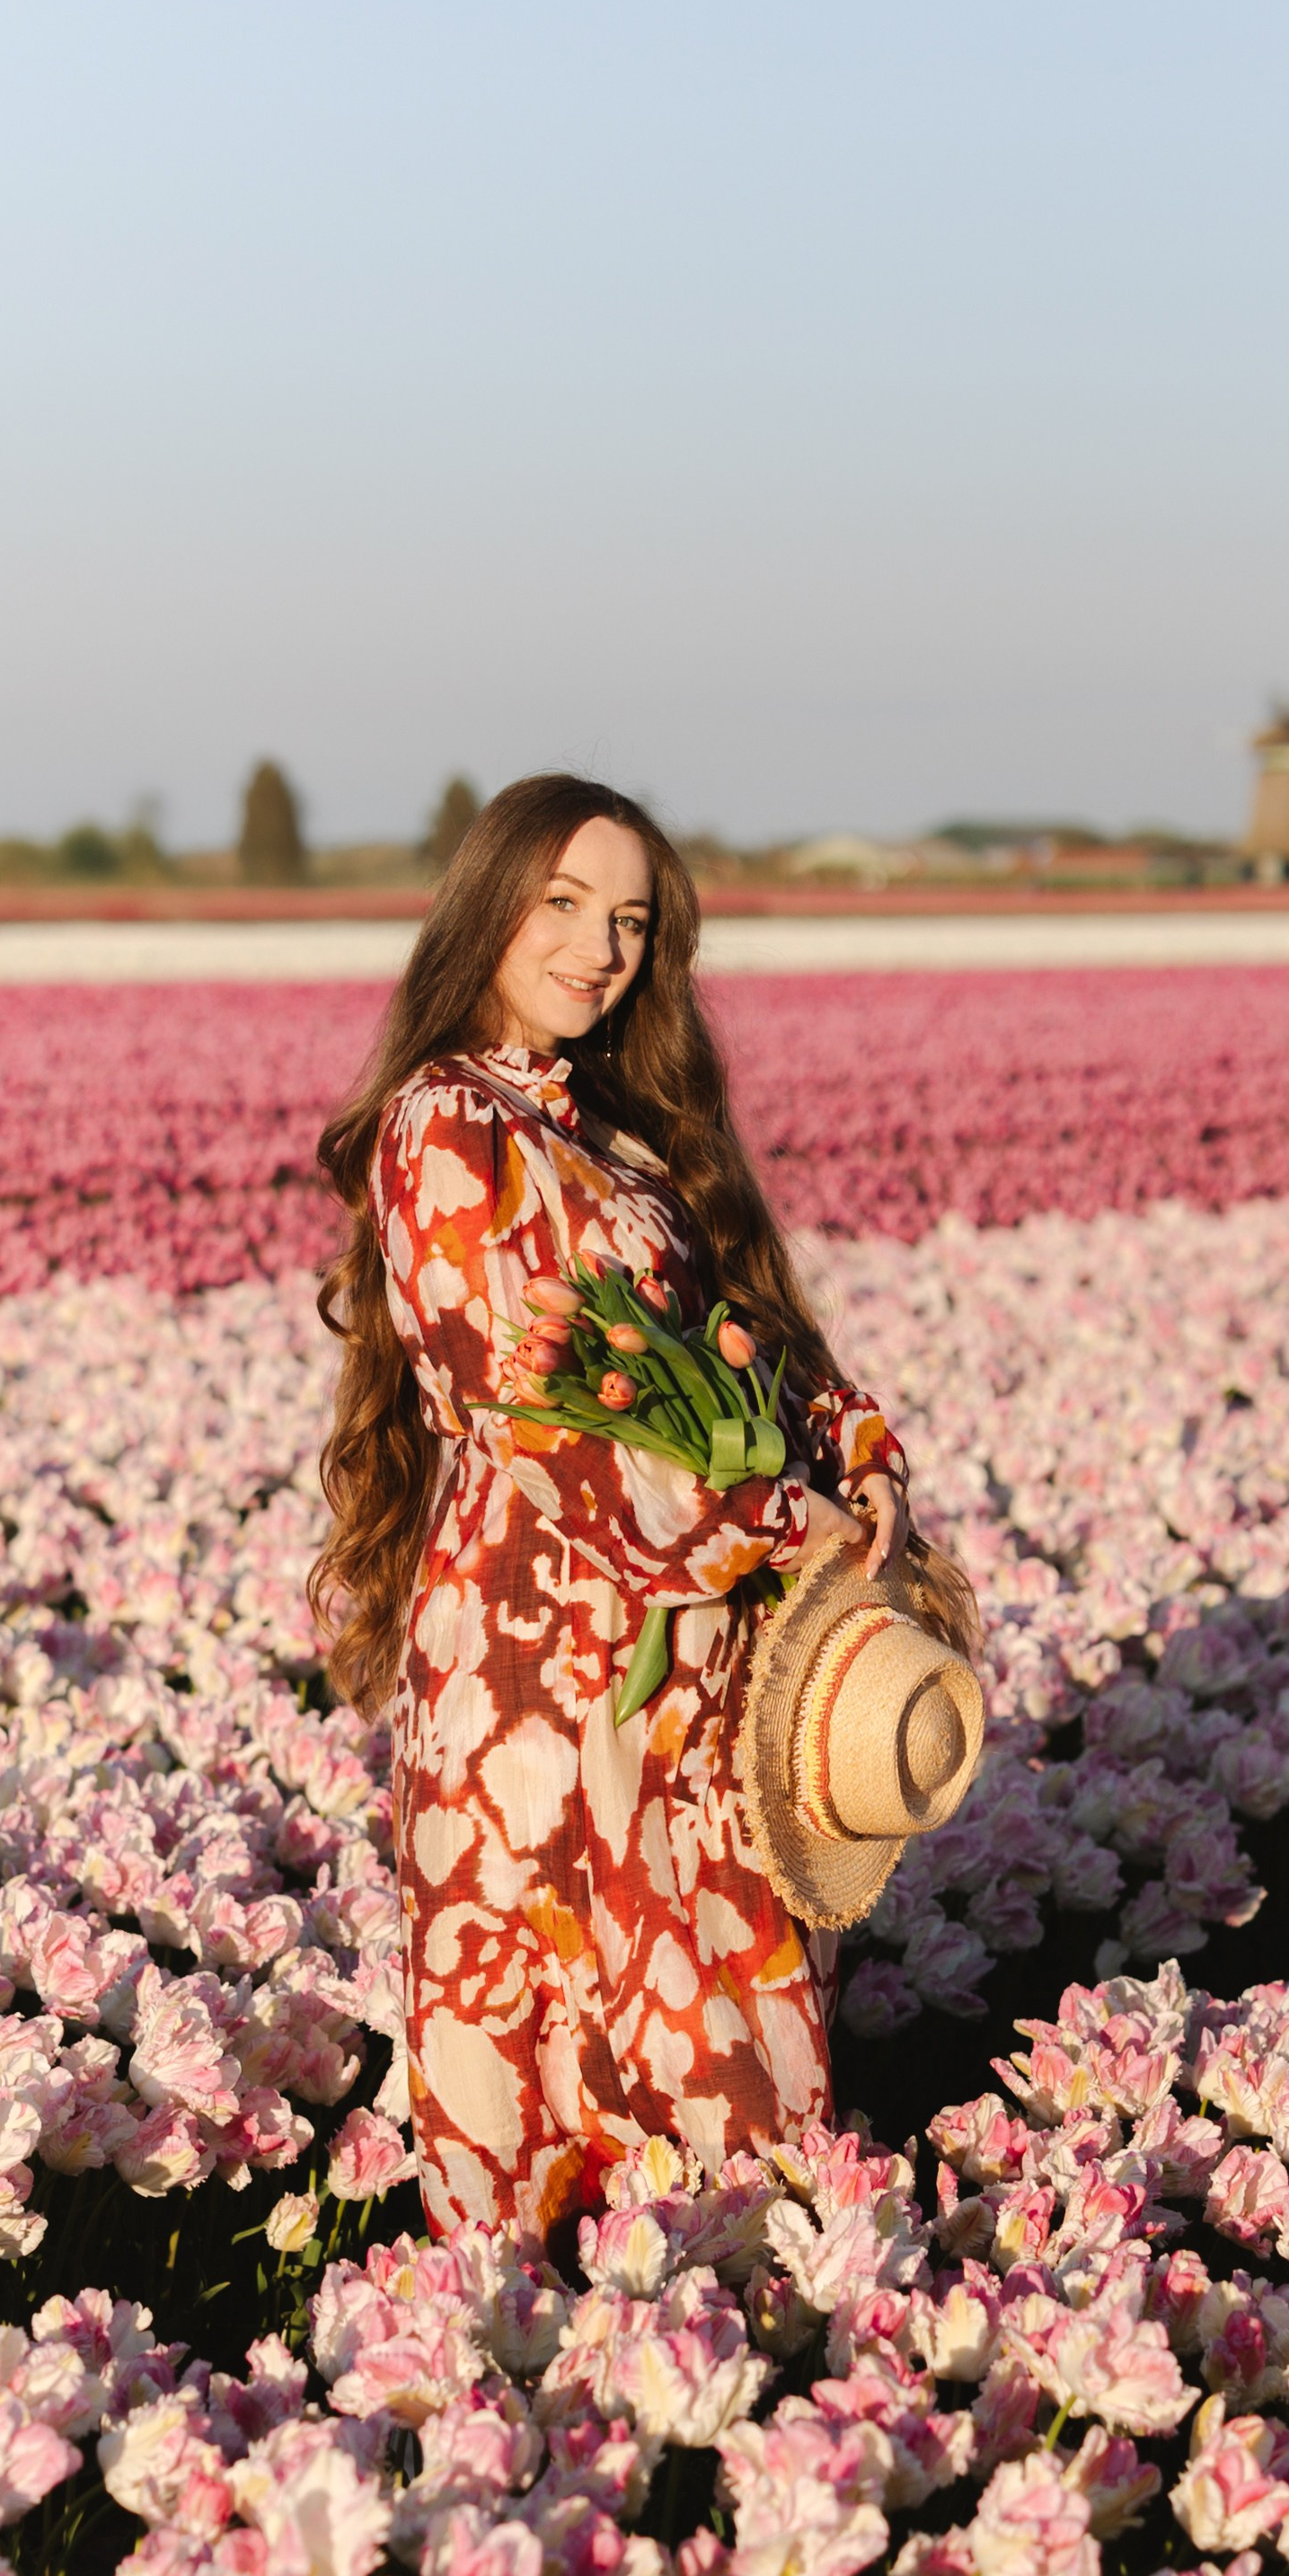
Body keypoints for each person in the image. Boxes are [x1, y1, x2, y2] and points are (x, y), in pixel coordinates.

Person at [310, 772, 914, 2241]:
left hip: (689, 1667)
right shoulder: (444, 1126)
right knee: (556, 2022)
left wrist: (853, 1451)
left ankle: (734, 2371)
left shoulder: (627, 1133)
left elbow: (744, 1351)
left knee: (709, 2021)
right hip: (538, 1655)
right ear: (485, 907)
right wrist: (775, 1521)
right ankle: (539, 2397)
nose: (599, 949)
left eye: (631, 922)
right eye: (564, 904)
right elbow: (528, 1415)